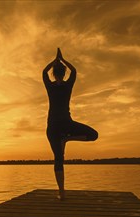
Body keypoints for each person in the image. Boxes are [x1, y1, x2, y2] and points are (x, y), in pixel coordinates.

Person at [43, 48, 98, 200]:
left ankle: (61, 192)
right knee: (94, 135)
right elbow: (74, 70)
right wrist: (63, 60)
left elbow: (43, 72)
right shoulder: (68, 86)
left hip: (53, 126)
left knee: (58, 158)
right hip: (66, 124)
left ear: (54, 73)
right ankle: (67, 138)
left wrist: (55, 61)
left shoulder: (50, 86)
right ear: (64, 73)